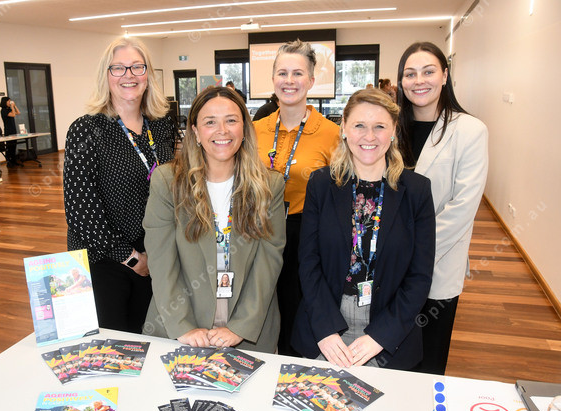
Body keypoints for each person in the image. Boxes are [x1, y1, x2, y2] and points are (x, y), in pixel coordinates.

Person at [291, 88, 436, 370]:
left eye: (379, 126)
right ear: (344, 129)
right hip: (326, 327)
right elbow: (308, 263)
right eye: (359, 125)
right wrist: (325, 329)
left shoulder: (417, 190)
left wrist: (380, 337)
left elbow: (420, 276)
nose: (369, 136)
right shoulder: (321, 184)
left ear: (393, 131)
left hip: (389, 333)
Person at [143, 86, 286, 353]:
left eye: (231, 120)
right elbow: (162, 264)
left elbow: (268, 262)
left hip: (251, 333)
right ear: (195, 132)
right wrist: (183, 325)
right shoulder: (167, 182)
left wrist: (241, 326)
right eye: (210, 122)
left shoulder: (270, 185)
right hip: (181, 327)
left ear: (244, 128)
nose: (222, 130)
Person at [63, 36, 175, 334]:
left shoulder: (160, 124)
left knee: (150, 338)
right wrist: (131, 258)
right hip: (104, 259)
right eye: (118, 68)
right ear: (106, 75)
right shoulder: (86, 129)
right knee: (112, 347)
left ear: (148, 74)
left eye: (137, 67)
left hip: (154, 254)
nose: (129, 75)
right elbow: (80, 211)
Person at [396, 41, 489, 375]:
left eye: (428, 71)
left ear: (445, 75)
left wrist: (410, 252)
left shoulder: (470, 130)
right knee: (391, 356)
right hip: (387, 265)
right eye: (410, 74)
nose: (419, 81)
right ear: (401, 81)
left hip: (437, 262)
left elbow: (462, 207)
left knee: (428, 359)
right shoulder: (391, 128)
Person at [254, 39, 340, 356]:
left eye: (298, 73)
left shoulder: (331, 133)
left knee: (295, 311)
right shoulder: (255, 129)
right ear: (273, 79)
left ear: (312, 81)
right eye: (282, 73)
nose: (289, 81)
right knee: (259, 307)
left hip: (305, 233)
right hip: (260, 229)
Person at [0, 96, 21, 168]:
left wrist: (14, 106)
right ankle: (9, 161)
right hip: (8, 131)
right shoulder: (3, 111)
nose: (10, 102)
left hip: (13, 129)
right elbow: (13, 115)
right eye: (8, 101)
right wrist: (12, 106)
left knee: (14, 146)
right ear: (5, 102)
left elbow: (18, 112)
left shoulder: (9, 109)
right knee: (9, 147)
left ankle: (14, 161)